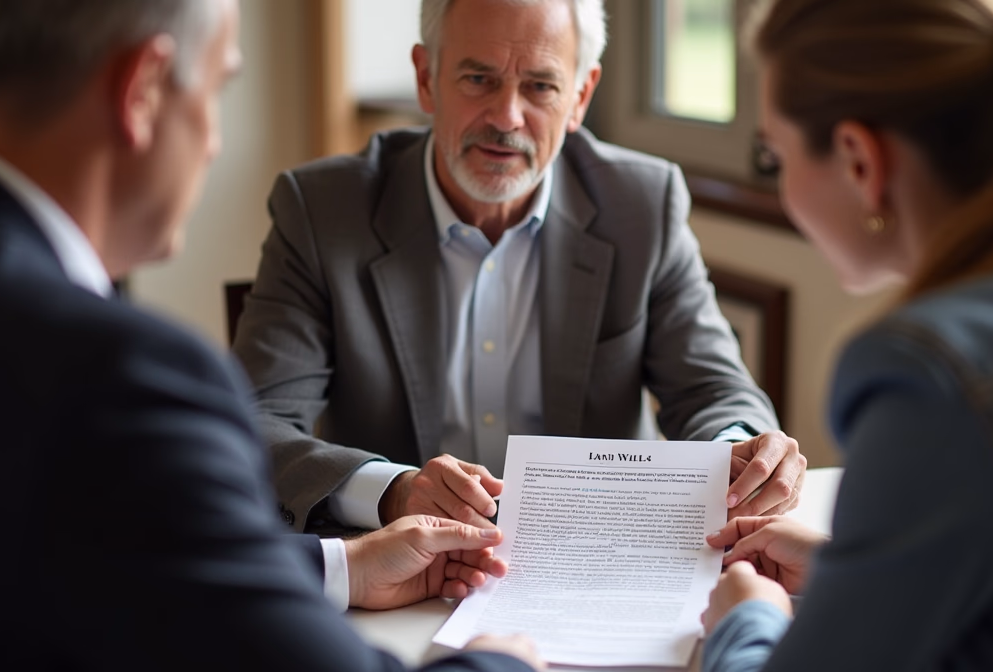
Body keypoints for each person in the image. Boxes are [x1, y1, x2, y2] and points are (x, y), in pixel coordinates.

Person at [0, 0, 543, 669]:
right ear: (144, 91)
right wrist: (501, 663)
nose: (214, 142)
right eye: (218, 88)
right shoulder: (122, 378)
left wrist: (346, 566)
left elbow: (79, 560)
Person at [699, 0, 993, 670]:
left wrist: (745, 622)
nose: (782, 187)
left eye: (775, 157)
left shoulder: (934, 374)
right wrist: (853, 574)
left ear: (859, 160)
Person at [231, 0, 807, 536]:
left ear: (581, 96)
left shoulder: (642, 205)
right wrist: (393, 493)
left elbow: (713, 388)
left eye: (540, 86)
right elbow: (257, 424)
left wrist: (744, 452)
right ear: (427, 78)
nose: (507, 117)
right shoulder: (321, 210)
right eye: (479, 78)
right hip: (401, 568)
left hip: (595, 555)